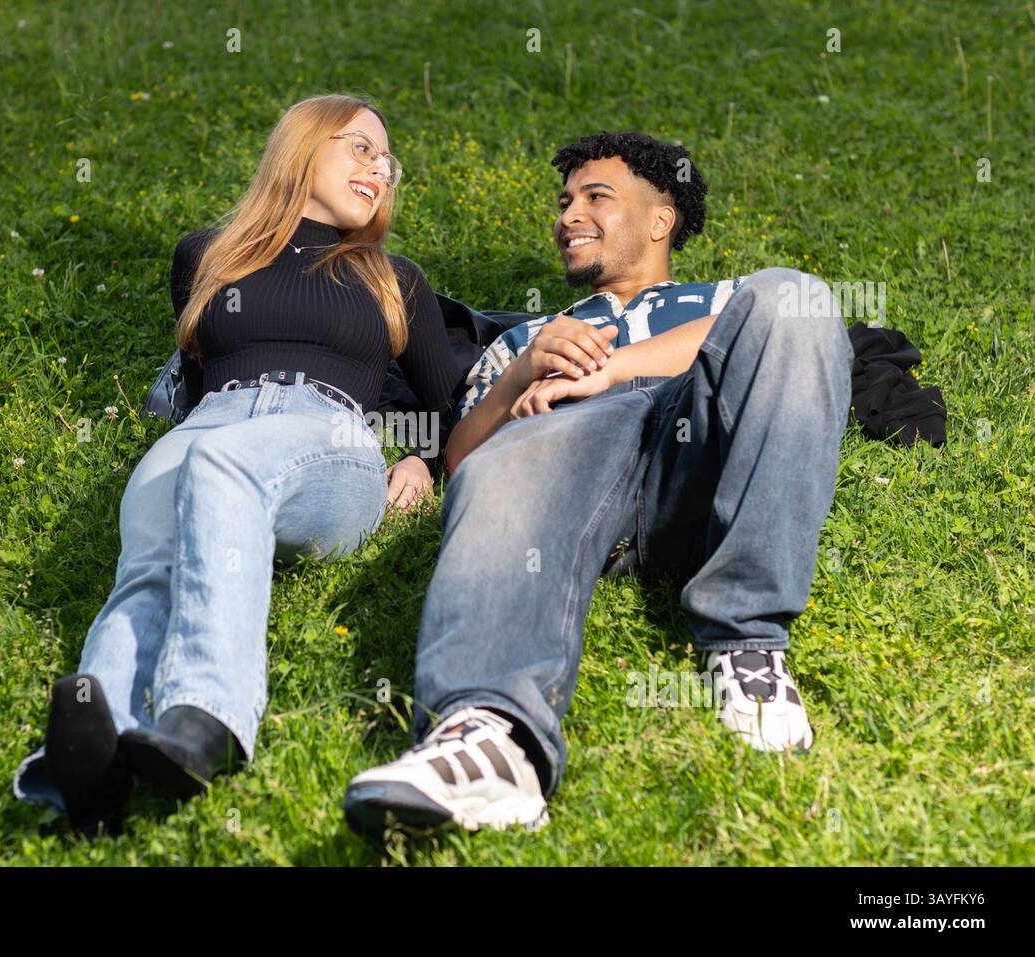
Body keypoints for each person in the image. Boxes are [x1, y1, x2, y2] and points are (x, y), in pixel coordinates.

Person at [342, 132, 853, 839]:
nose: (568, 215)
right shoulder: (528, 341)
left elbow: (795, 345)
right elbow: (464, 462)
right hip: (572, 478)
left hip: (694, 459)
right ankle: (491, 734)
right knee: (509, 456)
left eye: (595, 197)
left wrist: (615, 366)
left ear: (658, 220)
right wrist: (524, 382)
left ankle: (747, 646)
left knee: (797, 294)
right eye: (563, 202)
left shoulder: (731, 302)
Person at [12, 94, 462, 836]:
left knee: (216, 461)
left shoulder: (393, 277)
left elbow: (452, 403)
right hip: (212, 426)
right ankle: (92, 759)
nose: (378, 169)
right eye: (360, 148)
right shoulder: (208, 253)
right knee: (155, 550)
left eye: (387, 161)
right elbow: (195, 381)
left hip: (331, 444)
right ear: (301, 147)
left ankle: (209, 713)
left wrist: (419, 457)